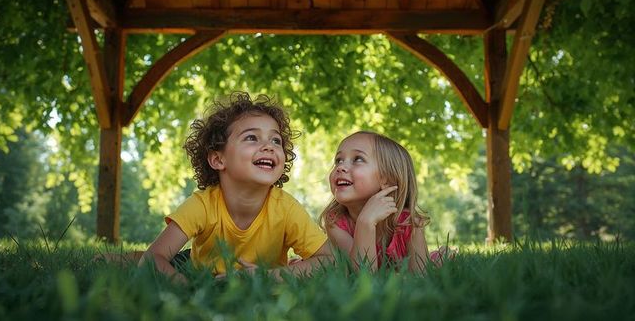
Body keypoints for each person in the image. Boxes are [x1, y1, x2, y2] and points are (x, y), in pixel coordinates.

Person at [136, 92, 330, 282]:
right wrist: (187, 288)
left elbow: (329, 261)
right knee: (135, 260)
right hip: (197, 267)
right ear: (218, 159)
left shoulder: (286, 208)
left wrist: (271, 276)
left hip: (257, 284)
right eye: (252, 138)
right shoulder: (202, 204)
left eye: (275, 140)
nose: (269, 146)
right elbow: (152, 258)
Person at [321, 131, 440, 272]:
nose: (340, 167)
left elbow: (421, 276)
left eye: (357, 159)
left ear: (387, 179)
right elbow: (362, 274)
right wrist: (365, 222)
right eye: (338, 160)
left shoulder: (409, 223)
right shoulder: (335, 222)